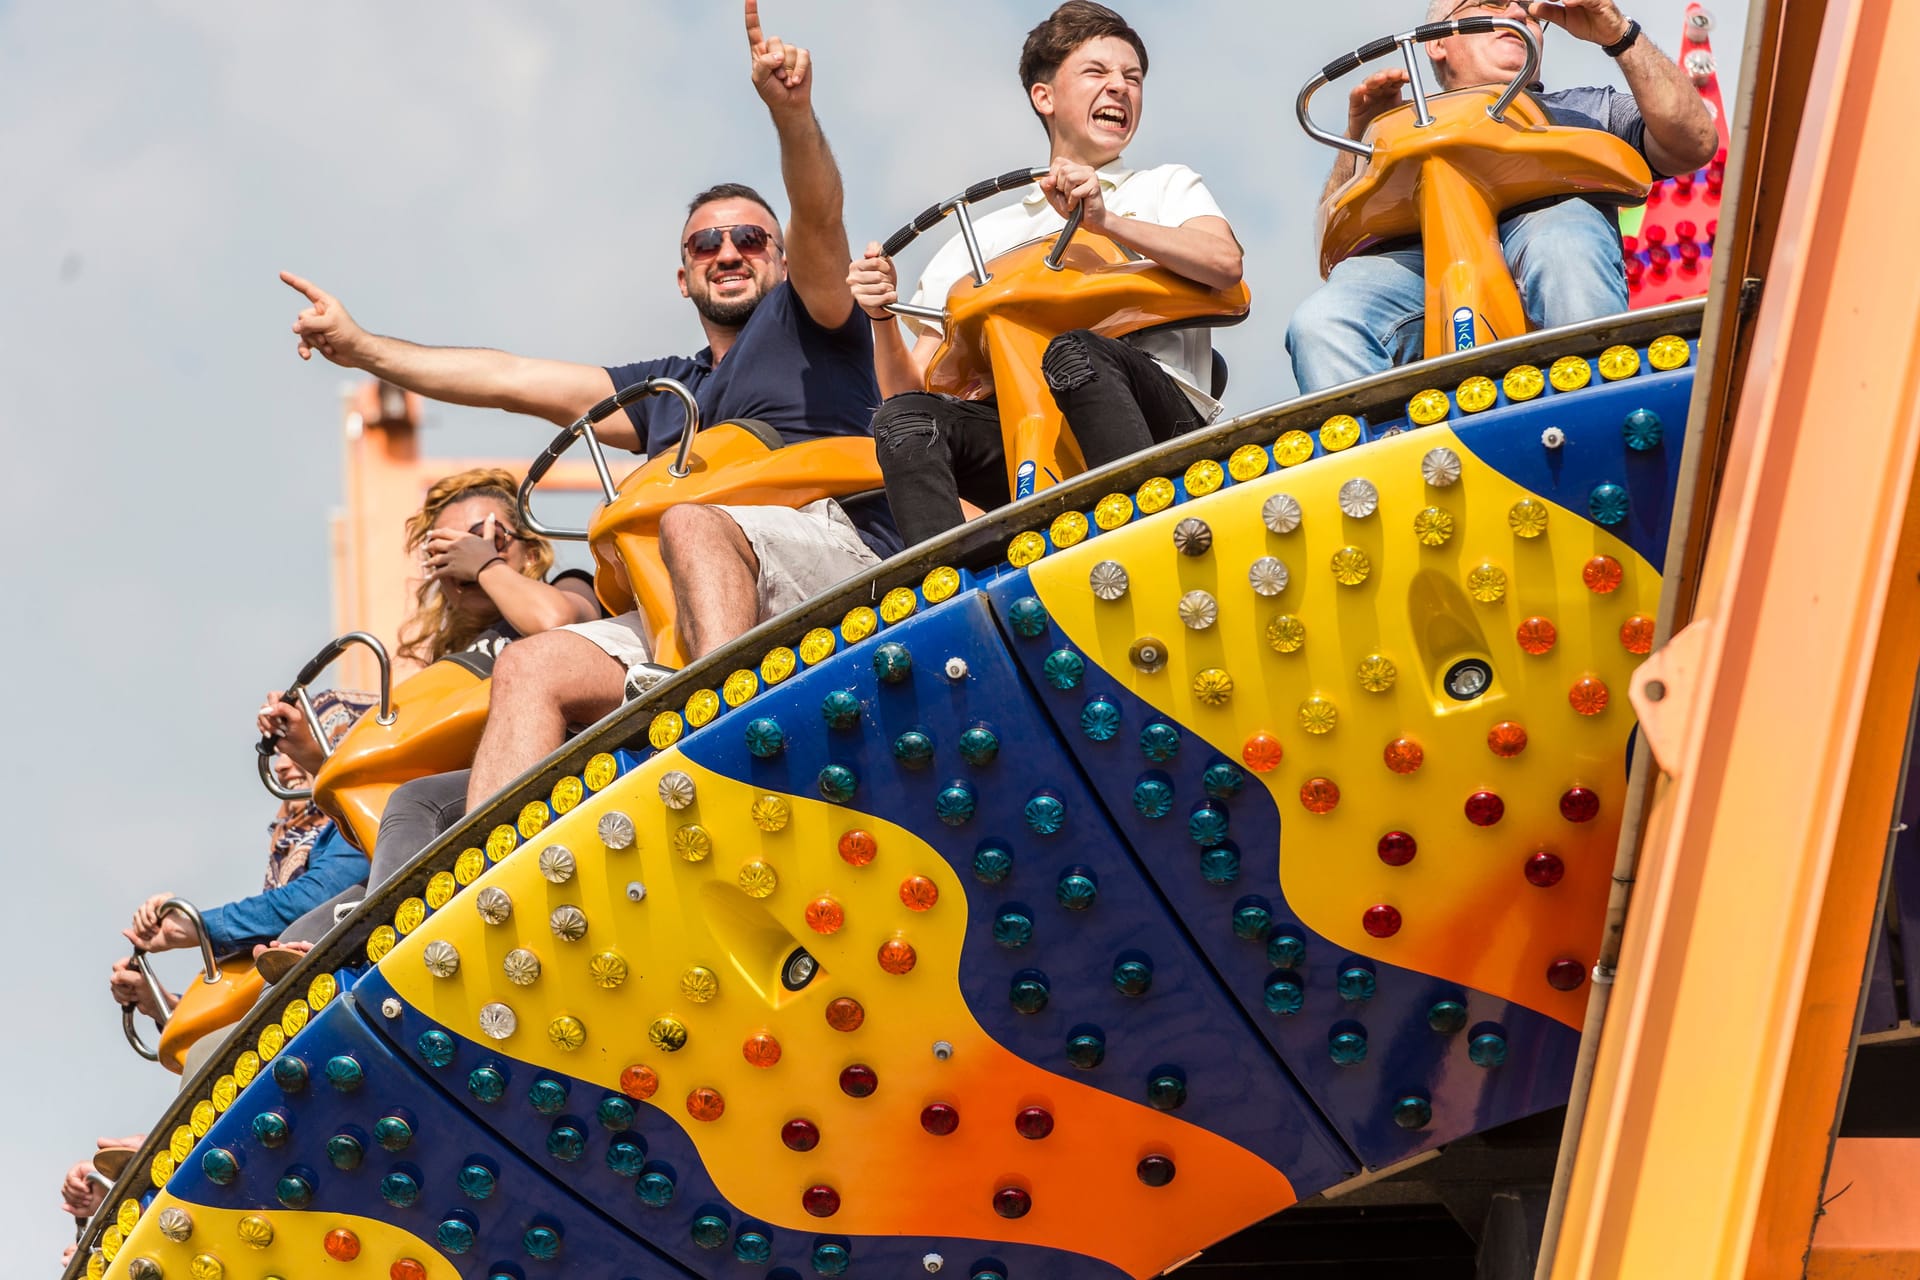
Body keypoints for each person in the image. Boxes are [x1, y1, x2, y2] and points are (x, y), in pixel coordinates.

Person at [282, 0, 896, 812]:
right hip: (692, 601)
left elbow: (820, 213)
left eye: (750, 239)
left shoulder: (811, 319)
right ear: (683, 277)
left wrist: (792, 116)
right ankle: (483, 903)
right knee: (529, 666)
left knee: (687, 519)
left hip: (829, 549)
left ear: (779, 261)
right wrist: (363, 349)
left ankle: (728, 758)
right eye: (706, 245)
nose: (729, 253)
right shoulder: (668, 392)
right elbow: (510, 379)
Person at [847, 1, 1243, 547]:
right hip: (1023, 431)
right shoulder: (975, 240)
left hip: (1157, 418)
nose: (1120, 89)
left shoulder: (1162, 187)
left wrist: (1106, 221)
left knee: (1076, 352)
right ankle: (946, 586)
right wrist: (881, 318)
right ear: (1045, 96)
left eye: (1132, 78)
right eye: (1096, 73)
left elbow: (1224, 265)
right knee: (905, 421)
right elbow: (909, 388)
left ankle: (1141, 534)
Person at [1286, 0, 1718, 393]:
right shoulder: (1393, 130)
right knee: (1322, 320)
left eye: (1529, 9)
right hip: (1421, 266)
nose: (1514, 11)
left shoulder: (1585, 109)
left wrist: (1618, 32)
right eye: (1490, 3)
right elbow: (1339, 230)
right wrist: (1359, 132)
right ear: (1438, 43)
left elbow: (1694, 144)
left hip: (1546, 230)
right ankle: (1372, 458)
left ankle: (1599, 399)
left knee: (1564, 244)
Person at [256, 469, 604, 953]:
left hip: (568, 768)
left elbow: (555, 622)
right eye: (448, 548)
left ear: (530, 548)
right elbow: (417, 768)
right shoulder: (450, 668)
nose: (466, 557)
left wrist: (486, 566)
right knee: (299, 937)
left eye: (487, 537)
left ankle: (393, 942)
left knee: (416, 805)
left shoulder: (569, 589)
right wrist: (314, 757)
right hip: (471, 805)